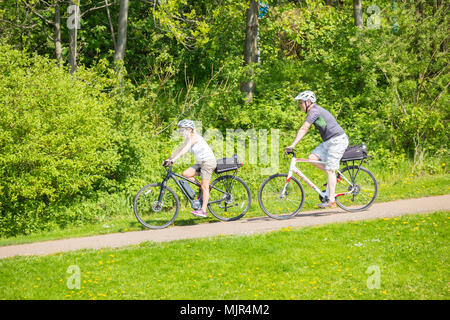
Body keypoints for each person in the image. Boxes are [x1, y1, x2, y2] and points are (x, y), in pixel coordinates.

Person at [285, 90, 349, 208]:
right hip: (328, 142)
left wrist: (292, 145)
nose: (300, 105)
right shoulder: (313, 111)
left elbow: (304, 128)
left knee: (330, 170)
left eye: (301, 103)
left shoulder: (314, 111)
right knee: (312, 158)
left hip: (337, 140)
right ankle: (332, 176)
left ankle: (331, 200)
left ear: (308, 102)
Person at [164, 119, 217, 217]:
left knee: (205, 186)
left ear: (189, 129)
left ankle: (203, 210)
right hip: (201, 163)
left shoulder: (194, 137)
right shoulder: (188, 139)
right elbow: (179, 149)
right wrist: (169, 159)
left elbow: (184, 150)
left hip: (208, 162)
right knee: (186, 174)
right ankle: (203, 188)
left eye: (182, 130)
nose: (180, 132)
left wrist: (174, 160)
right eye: (179, 130)